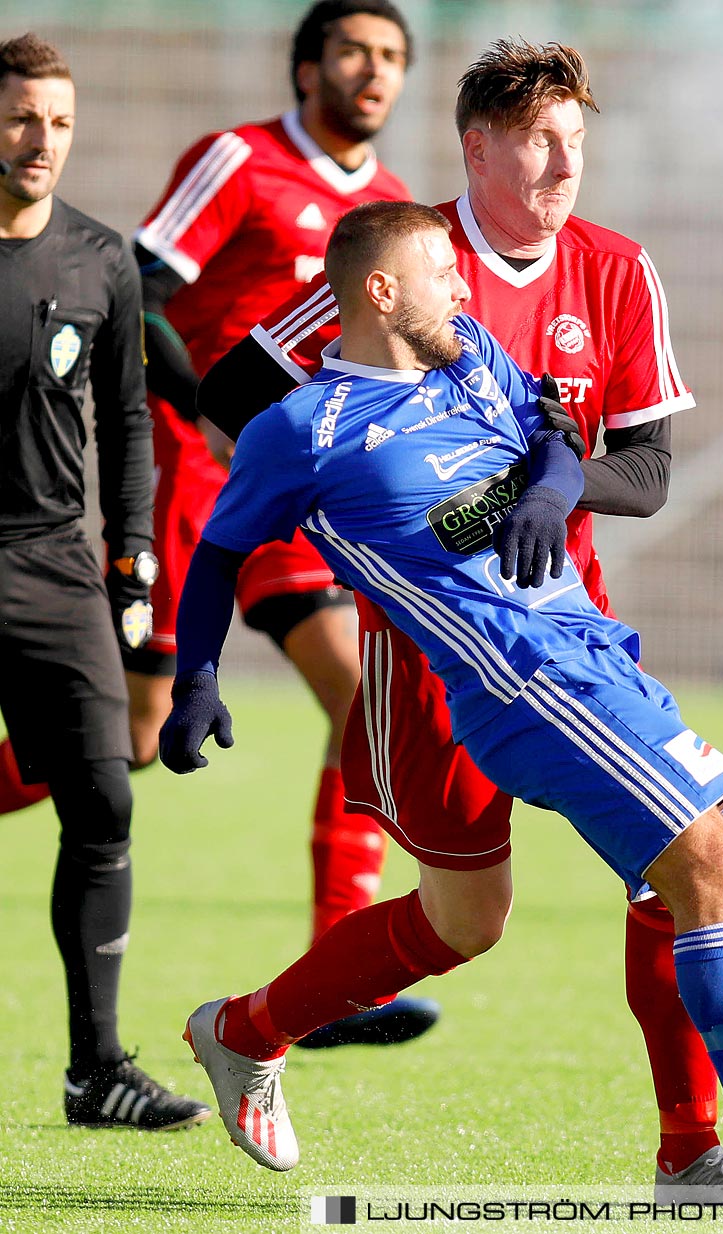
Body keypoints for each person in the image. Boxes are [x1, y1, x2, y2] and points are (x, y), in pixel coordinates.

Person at [163, 200, 723, 1189]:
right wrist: (195, 673)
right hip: (519, 680)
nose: (461, 288)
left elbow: (554, 426)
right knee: (698, 860)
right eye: (441, 272)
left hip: (592, 652)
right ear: (380, 291)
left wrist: (549, 485)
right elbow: (218, 551)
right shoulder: (303, 428)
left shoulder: (469, 356)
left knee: (705, 865)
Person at [130, 0, 433, 1048]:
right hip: (199, 483)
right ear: (308, 67)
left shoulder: (393, 206)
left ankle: (336, 977)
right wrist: (208, 419)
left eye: (392, 56)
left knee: (362, 702)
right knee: (122, 734)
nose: (374, 69)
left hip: (308, 497)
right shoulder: (237, 161)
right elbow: (138, 292)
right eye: (353, 49)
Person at [0, 31, 211, 1132]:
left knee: (105, 800)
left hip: (53, 566)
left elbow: (127, 421)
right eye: (23, 116)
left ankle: (96, 1072)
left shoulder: (99, 257)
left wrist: (135, 552)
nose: (42, 140)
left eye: (60, 121)